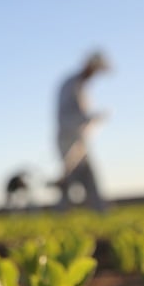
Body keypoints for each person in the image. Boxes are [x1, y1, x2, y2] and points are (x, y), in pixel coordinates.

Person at [53, 51, 110, 212]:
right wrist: (91, 118)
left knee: (88, 175)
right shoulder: (71, 85)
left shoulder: (81, 86)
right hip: (68, 139)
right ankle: (61, 212)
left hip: (79, 139)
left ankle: (99, 209)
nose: (95, 74)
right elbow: (67, 115)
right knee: (70, 176)